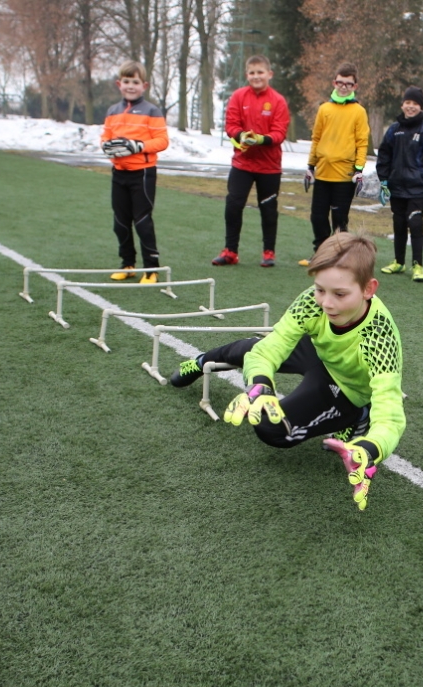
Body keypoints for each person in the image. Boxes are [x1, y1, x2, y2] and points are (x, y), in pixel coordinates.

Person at [169, 233, 404, 511]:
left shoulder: (379, 337)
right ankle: (200, 361)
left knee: (271, 430)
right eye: (319, 289)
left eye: (340, 294)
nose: (326, 303)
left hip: (343, 386)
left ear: (368, 289)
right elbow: (269, 349)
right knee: (249, 348)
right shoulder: (312, 301)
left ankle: (357, 416)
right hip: (318, 351)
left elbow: (390, 415)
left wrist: (371, 448)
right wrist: (261, 385)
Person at [212, 55, 291, 268]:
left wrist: (261, 139)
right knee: (233, 206)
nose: (256, 77)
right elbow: (231, 125)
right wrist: (241, 136)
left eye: (260, 72)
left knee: (268, 209)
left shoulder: (278, 101)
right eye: (252, 73)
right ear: (247, 75)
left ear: (269, 74)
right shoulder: (238, 96)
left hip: (269, 166)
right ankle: (230, 251)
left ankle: (268, 252)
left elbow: (279, 133)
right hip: (242, 165)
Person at [100, 61, 170, 282]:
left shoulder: (152, 111)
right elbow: (106, 137)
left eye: (136, 82)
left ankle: (151, 269)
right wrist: (107, 147)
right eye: (127, 82)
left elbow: (162, 141)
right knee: (120, 222)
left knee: (142, 221)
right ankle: (127, 263)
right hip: (119, 173)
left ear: (144, 85)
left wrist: (138, 146)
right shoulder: (113, 111)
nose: (131, 86)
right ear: (119, 84)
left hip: (143, 173)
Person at [298, 63, 369, 266]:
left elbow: (361, 142)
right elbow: (317, 137)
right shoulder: (324, 109)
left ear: (355, 86)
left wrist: (359, 170)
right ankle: (321, 253)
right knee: (317, 217)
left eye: (349, 84)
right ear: (334, 83)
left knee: (339, 218)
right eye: (340, 82)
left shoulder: (358, 112)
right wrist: (310, 166)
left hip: (344, 176)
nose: (344, 87)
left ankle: (340, 256)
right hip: (322, 174)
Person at [375, 86, 423, 283]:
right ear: (402, 105)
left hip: (418, 188)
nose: (411, 107)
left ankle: (418, 265)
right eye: (408, 103)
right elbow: (384, 155)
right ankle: (399, 261)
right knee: (399, 224)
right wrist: (384, 179)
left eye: (415, 104)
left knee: (415, 223)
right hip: (397, 187)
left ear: (421, 107)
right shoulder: (394, 130)